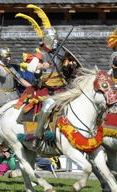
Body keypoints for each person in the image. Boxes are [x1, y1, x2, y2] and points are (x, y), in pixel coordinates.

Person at [15, 4, 78, 148]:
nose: (55, 41)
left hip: (62, 86)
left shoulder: (60, 51)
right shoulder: (39, 53)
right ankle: (38, 134)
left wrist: (70, 65)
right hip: (45, 88)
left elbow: (66, 65)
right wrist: (40, 66)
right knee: (48, 105)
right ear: (46, 39)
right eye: (53, 38)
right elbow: (29, 66)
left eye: (56, 38)